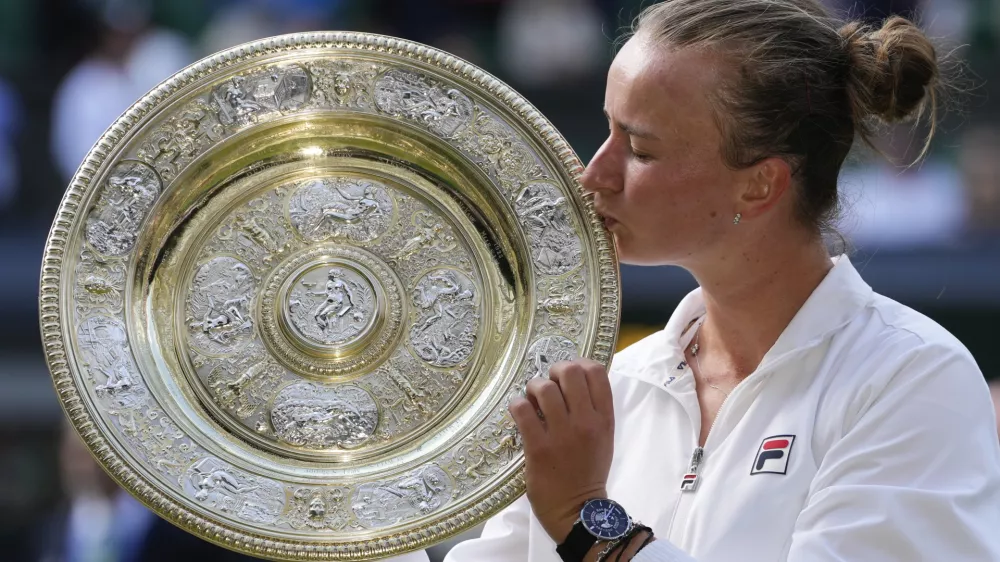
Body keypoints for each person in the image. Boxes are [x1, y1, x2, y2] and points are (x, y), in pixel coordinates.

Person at [404, 1, 1000, 561]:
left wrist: (586, 521)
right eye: (608, 131)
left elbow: (577, 520)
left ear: (759, 184)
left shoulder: (913, 377)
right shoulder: (615, 384)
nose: (595, 174)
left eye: (639, 149)